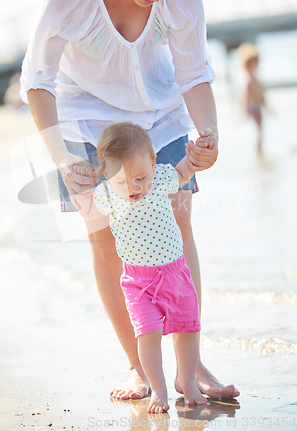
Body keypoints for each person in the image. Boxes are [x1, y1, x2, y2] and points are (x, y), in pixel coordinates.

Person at [20, 0, 239, 400]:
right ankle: (139, 368)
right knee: (106, 242)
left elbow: (194, 72)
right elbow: (37, 80)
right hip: (87, 123)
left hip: (160, 115)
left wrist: (209, 133)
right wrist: (60, 158)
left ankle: (190, 366)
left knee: (178, 228)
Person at [74, 122, 209, 413]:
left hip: (176, 274)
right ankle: (158, 389)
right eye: (122, 181)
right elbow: (88, 210)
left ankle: (188, 381)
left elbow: (184, 171)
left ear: (153, 162)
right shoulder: (108, 194)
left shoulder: (160, 178)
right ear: (107, 175)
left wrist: (195, 154)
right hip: (138, 283)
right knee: (147, 335)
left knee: (188, 328)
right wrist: (81, 192)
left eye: (139, 178)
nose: (133, 187)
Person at [238, 43, 267, 156]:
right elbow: (247, 96)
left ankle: (260, 150)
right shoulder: (250, 79)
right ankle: (259, 151)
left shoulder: (252, 77)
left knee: (260, 130)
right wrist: (245, 110)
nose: (258, 64)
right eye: (256, 62)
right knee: (259, 130)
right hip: (255, 107)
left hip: (256, 107)